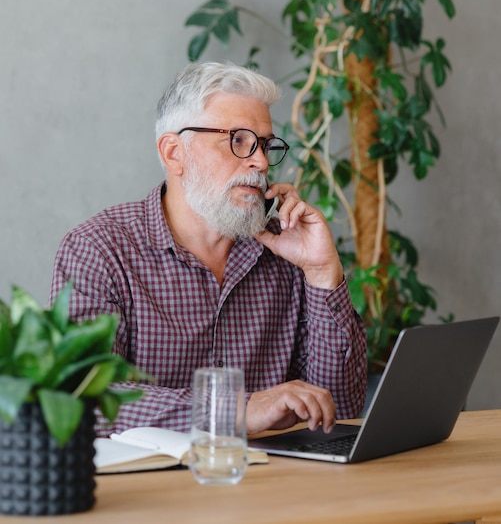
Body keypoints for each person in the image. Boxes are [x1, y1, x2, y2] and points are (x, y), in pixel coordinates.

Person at [49, 61, 367, 437]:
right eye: (238, 141)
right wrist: (237, 411)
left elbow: (341, 409)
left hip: (277, 485)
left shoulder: (288, 252)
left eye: (264, 144)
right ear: (173, 153)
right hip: (152, 487)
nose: (261, 161)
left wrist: (320, 272)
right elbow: (86, 397)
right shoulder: (99, 251)